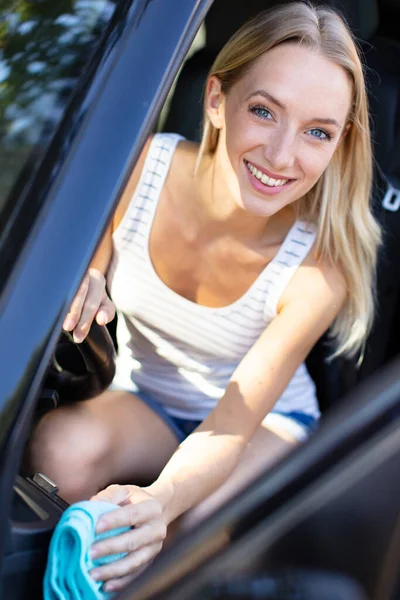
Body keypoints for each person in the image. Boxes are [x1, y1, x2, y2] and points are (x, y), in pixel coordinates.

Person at [29, 0, 381, 593]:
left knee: (193, 525)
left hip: (258, 424)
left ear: (340, 142)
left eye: (317, 131)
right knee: (58, 452)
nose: (281, 156)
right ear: (217, 100)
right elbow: (88, 260)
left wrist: (160, 504)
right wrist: (85, 275)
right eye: (265, 112)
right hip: (148, 396)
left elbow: (229, 427)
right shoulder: (140, 167)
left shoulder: (317, 270)